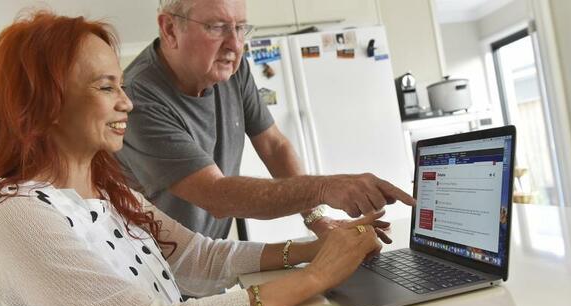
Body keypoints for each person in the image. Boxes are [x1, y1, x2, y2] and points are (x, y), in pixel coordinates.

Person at [0, 12, 387, 306]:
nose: (126, 102)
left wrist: (319, 246)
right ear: (44, 103)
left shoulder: (107, 193)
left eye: (121, 85)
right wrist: (318, 275)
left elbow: (198, 256)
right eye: (105, 87)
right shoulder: (16, 214)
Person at [116, 0, 415, 240]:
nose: (234, 44)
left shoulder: (233, 68)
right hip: (158, 273)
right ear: (169, 29)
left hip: (207, 258)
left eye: (241, 28)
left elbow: (273, 145)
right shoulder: (137, 99)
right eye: (217, 27)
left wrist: (318, 220)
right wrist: (323, 188)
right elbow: (216, 195)